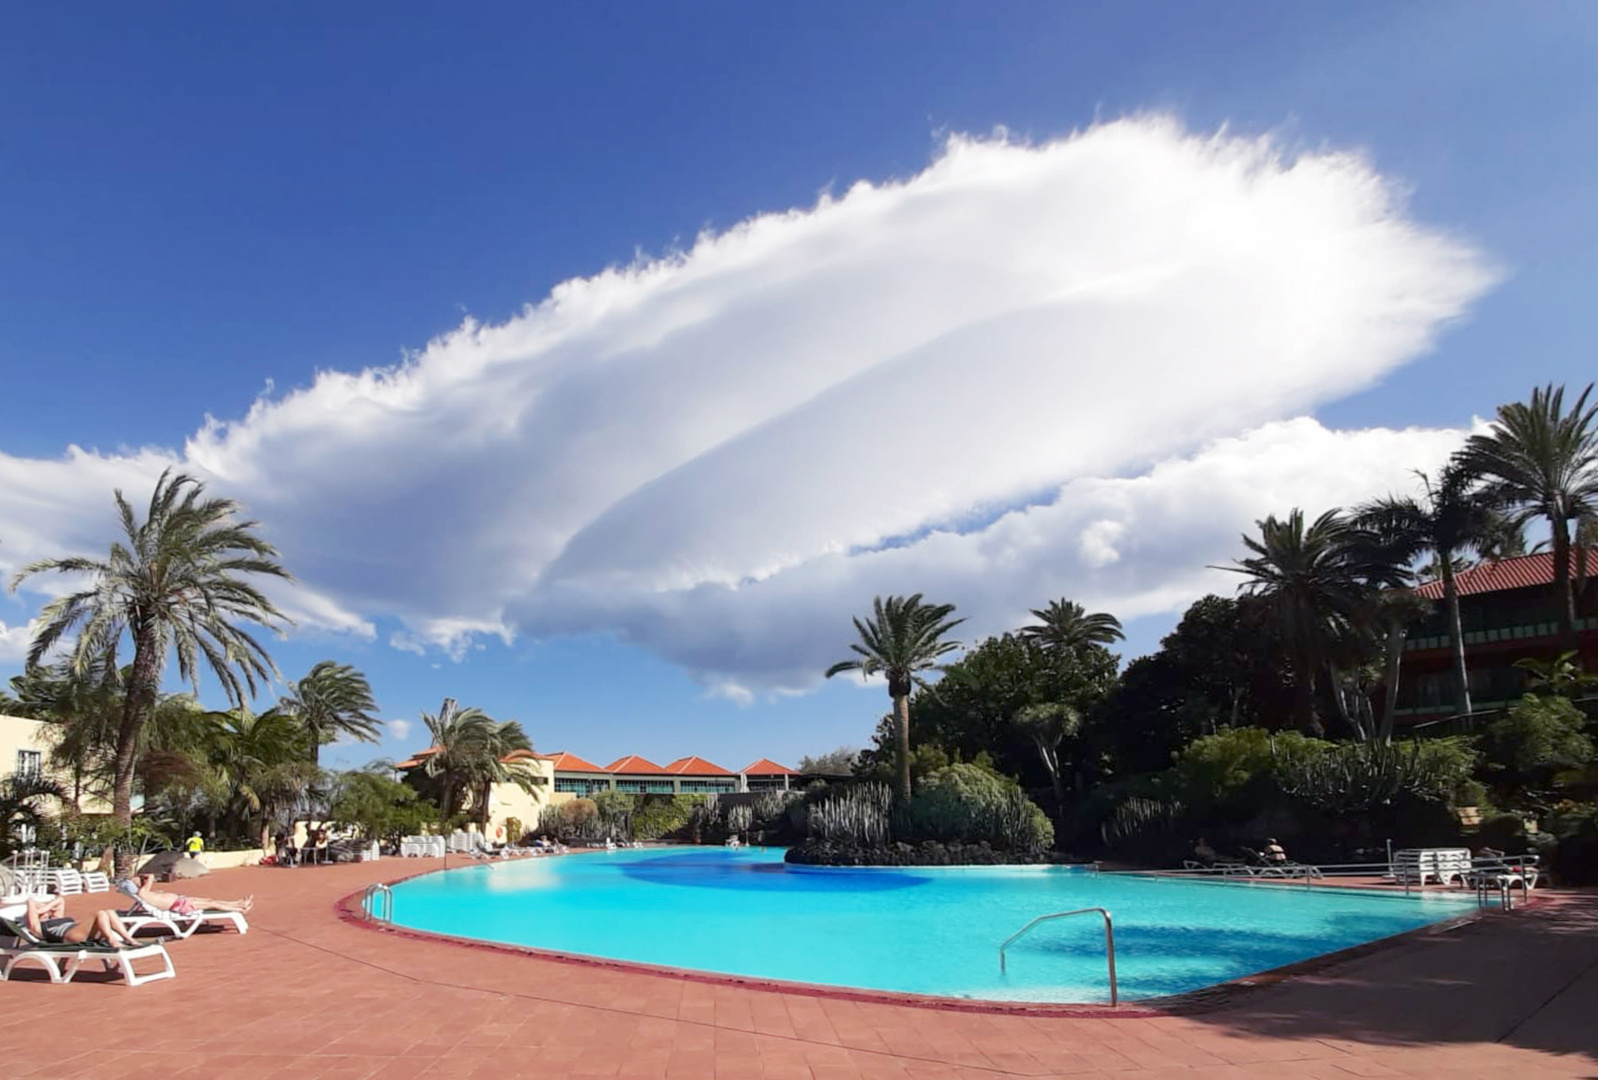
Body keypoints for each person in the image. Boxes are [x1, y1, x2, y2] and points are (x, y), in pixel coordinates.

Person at [22, 895, 142, 947]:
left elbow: (60, 900)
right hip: (70, 936)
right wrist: (40, 910)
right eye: (40, 913)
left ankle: (129, 939)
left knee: (109, 912)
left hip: (78, 930)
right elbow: (30, 902)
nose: (45, 914)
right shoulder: (38, 927)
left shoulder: (55, 918)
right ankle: (112, 941)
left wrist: (45, 908)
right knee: (99, 913)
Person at [121, 873, 254, 915]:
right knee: (212, 903)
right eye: (137, 880)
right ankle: (240, 909)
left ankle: (239, 903)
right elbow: (151, 876)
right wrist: (141, 875)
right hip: (181, 905)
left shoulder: (145, 893)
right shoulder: (143, 892)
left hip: (181, 901)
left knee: (210, 900)